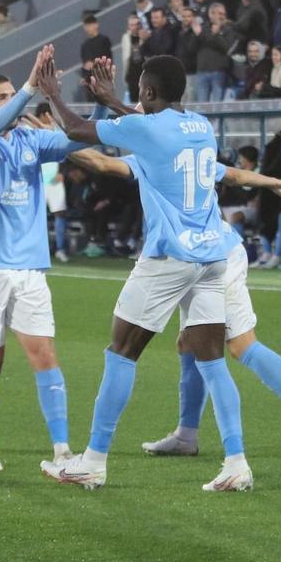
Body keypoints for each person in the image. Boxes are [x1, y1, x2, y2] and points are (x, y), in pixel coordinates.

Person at [37, 54, 253, 492]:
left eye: (140, 89)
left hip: (168, 257)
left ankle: (93, 460)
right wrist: (113, 99)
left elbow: (78, 131)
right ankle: (236, 462)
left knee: (122, 351)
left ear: (150, 92)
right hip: (212, 257)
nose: (138, 96)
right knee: (211, 359)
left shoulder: (148, 129)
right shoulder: (198, 126)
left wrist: (54, 94)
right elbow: (149, 123)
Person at [67, 144, 281, 459]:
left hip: (216, 254)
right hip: (194, 254)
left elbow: (99, 161)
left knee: (240, 345)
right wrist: (273, 182)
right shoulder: (183, 151)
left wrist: (60, 139)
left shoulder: (161, 152)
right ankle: (186, 436)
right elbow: (231, 174)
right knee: (188, 344)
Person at [0, 45, 105, 473]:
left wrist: (100, 103)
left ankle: (61, 450)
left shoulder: (30, 140)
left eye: (11, 96)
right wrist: (28, 87)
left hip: (28, 268)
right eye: (0, 98)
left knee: (45, 355)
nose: (11, 103)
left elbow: (79, 136)